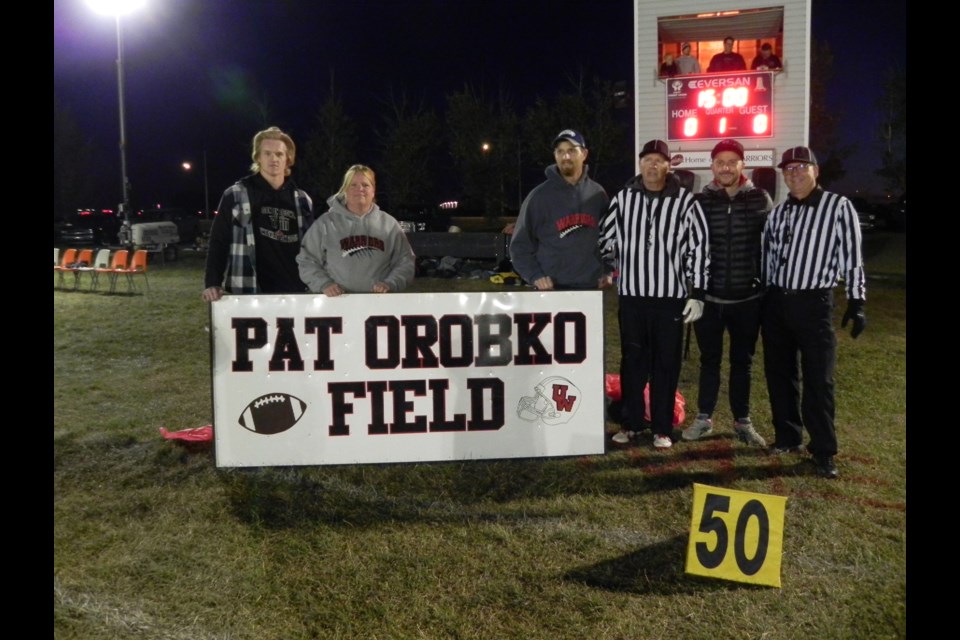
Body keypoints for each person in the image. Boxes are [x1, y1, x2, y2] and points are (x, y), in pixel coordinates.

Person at [761, 146, 866, 479]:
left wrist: (857, 301)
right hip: (777, 301)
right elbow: (768, 258)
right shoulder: (778, 212)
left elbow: (852, 256)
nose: (794, 174)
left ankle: (823, 451)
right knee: (780, 374)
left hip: (814, 302)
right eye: (788, 169)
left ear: (815, 171)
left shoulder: (838, 207)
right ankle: (787, 436)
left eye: (800, 167)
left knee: (819, 379)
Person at [600, 140, 709, 449]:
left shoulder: (686, 202)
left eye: (658, 161)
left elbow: (698, 249)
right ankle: (632, 423)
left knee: (665, 363)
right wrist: (610, 265)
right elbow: (606, 237)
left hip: (669, 298)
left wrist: (697, 292)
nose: (652, 166)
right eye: (647, 160)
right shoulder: (623, 199)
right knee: (632, 361)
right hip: (633, 297)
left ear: (667, 166)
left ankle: (661, 427)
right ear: (641, 164)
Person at [681, 139, 771, 447]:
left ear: (742, 165)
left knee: (742, 363)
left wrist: (765, 280)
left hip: (747, 300)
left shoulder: (760, 198)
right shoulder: (699, 201)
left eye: (733, 161)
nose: (726, 167)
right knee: (709, 361)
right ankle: (704, 417)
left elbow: (772, 245)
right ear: (712, 167)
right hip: (710, 299)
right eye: (720, 162)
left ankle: (742, 421)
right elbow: (687, 246)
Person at [203, 126, 314, 301]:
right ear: (258, 157)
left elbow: (312, 248)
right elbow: (218, 241)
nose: (273, 159)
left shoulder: (302, 200)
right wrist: (212, 281)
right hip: (249, 290)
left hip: (295, 291)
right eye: (267, 153)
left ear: (288, 159)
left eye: (279, 154)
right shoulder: (236, 194)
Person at [509, 129, 610, 290]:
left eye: (571, 151)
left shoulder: (598, 194)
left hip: (591, 288)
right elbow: (520, 246)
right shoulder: (538, 197)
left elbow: (609, 239)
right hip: (551, 289)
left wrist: (608, 271)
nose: (566, 157)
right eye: (560, 151)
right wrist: (535, 276)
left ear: (584, 154)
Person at [298, 164, 415, 295]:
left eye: (365, 185)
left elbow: (405, 261)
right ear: (345, 190)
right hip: (336, 304)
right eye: (353, 185)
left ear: (373, 191)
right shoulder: (325, 224)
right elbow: (306, 260)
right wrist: (324, 284)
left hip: (378, 304)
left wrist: (390, 283)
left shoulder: (389, 225)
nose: (360, 189)